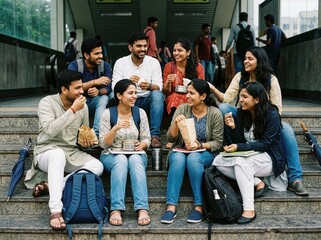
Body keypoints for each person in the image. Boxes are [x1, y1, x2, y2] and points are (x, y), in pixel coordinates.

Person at [209, 46, 309, 196]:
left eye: (250, 59)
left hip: (265, 119)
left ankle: (295, 179)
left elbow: (277, 108)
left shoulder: (271, 79)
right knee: (223, 108)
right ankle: (228, 147)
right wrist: (212, 89)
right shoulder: (240, 76)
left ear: (259, 61)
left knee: (287, 129)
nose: (245, 61)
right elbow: (227, 99)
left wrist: (260, 115)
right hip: (243, 116)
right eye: (245, 58)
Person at [24, 70, 104, 230]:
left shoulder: (83, 106)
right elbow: (49, 130)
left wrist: (86, 143)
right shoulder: (47, 102)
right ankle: (55, 210)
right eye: (77, 88)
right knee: (57, 155)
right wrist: (72, 110)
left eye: (82, 87)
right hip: (47, 150)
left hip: (72, 153)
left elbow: (82, 134)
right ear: (64, 89)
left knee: (98, 167)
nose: (82, 91)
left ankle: (51, 184)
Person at [213, 81, 287, 224]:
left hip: (269, 158)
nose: (240, 100)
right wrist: (232, 128)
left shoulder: (272, 115)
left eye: (245, 97)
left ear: (257, 99)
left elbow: (265, 144)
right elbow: (240, 141)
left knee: (241, 164)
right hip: (248, 156)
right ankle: (258, 182)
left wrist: (239, 147)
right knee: (218, 161)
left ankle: (249, 209)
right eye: (240, 96)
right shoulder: (242, 114)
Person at [160, 79, 224, 224]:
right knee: (177, 159)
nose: (187, 96)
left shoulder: (215, 113)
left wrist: (200, 145)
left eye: (191, 93)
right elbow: (170, 137)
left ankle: (199, 207)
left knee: (193, 158)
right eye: (187, 92)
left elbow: (218, 143)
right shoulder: (182, 109)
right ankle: (171, 207)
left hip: (204, 152)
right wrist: (176, 124)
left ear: (203, 96)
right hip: (180, 149)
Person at [99, 79, 151, 226]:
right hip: (111, 155)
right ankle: (116, 208)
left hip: (136, 154)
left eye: (135, 93)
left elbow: (147, 137)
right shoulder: (108, 114)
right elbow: (103, 143)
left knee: (134, 160)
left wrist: (143, 144)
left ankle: (142, 208)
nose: (134, 96)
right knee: (121, 160)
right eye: (130, 93)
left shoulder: (140, 113)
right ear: (119, 96)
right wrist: (115, 128)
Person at [112, 31, 164, 148]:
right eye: (139, 46)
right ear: (130, 47)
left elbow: (159, 86)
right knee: (112, 96)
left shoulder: (153, 62)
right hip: (127, 102)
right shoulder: (120, 63)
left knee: (157, 95)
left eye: (145, 46)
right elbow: (114, 87)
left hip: (146, 100)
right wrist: (127, 83)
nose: (143, 49)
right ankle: (113, 132)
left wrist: (149, 86)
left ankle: (154, 136)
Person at [68, 38, 112, 137]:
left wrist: (99, 91)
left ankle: (96, 134)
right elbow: (71, 88)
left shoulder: (105, 66)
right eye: (96, 54)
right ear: (86, 55)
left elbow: (109, 87)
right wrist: (94, 82)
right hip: (78, 104)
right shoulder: (74, 66)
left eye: (101, 53)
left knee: (104, 97)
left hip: (96, 103)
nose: (100, 56)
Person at [163, 37, 204, 121]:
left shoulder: (198, 67)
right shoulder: (169, 66)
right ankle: (175, 126)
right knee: (174, 97)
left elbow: (203, 88)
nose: (176, 53)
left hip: (193, 96)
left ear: (188, 52)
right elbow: (166, 92)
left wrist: (192, 85)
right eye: (174, 50)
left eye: (180, 50)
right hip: (173, 96)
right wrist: (168, 82)